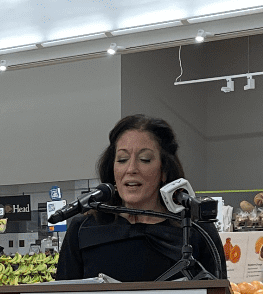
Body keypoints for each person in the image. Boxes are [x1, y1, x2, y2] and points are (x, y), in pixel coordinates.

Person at [54, 114, 227, 282]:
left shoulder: (197, 230)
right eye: (122, 159)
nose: (131, 169)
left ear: (164, 170)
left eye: (144, 159)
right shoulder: (83, 228)